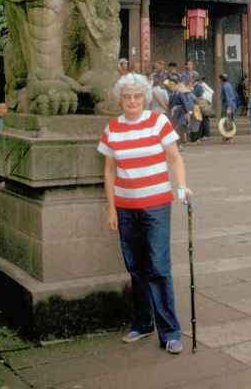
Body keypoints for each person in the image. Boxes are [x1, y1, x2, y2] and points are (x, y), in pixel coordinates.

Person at [98, 73, 192, 355]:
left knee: (159, 266)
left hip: (156, 206)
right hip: (126, 207)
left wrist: (182, 187)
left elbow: (174, 157)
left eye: (137, 96)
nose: (132, 101)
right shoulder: (112, 128)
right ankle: (143, 322)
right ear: (121, 100)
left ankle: (170, 330)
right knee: (135, 266)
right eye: (127, 97)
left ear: (145, 98)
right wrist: (112, 208)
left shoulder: (159, 123)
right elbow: (109, 170)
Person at [163, 76, 193, 144]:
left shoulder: (179, 93)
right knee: (173, 128)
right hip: (173, 114)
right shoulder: (170, 94)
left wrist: (187, 113)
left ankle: (179, 143)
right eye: (169, 84)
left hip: (180, 113)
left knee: (179, 128)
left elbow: (185, 103)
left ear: (175, 85)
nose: (170, 86)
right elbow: (169, 106)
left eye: (172, 84)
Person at [219, 73, 238, 143]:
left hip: (227, 106)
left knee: (227, 121)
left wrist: (228, 108)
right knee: (228, 120)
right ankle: (227, 137)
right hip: (230, 105)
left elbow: (229, 98)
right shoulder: (229, 85)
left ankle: (228, 138)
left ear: (221, 79)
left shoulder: (226, 87)